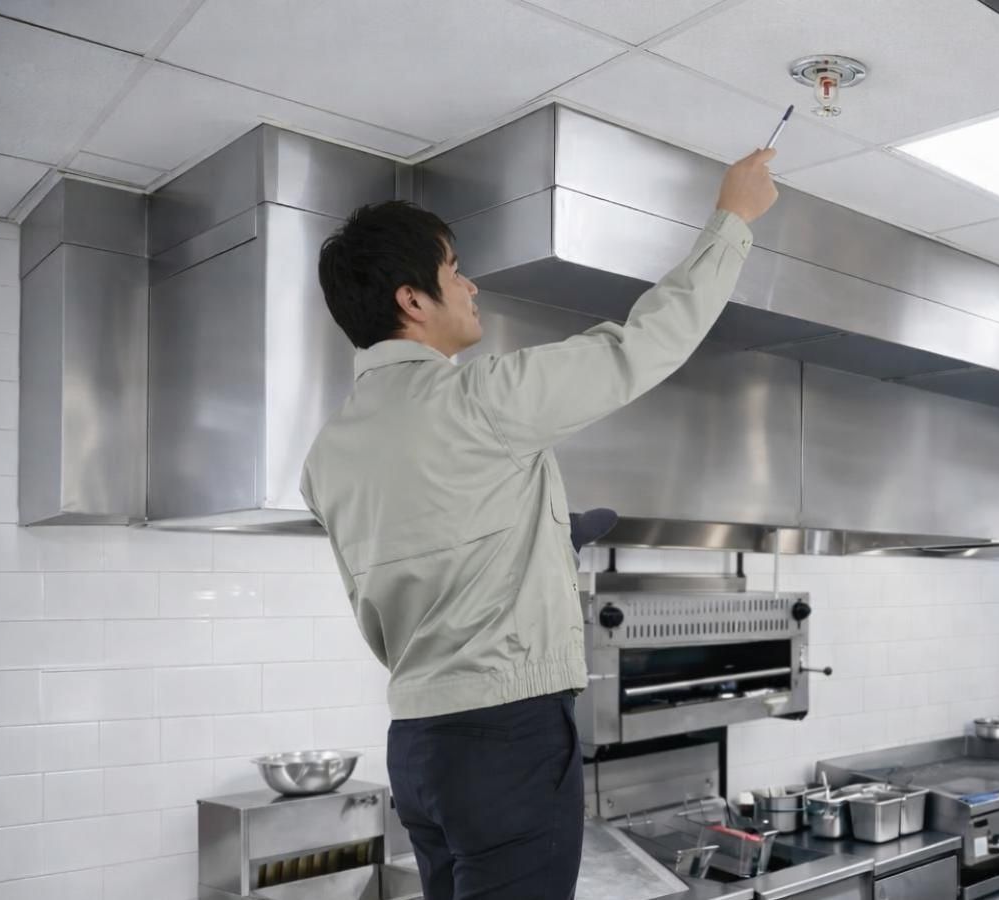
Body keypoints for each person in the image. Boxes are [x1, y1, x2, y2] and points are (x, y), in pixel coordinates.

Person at [300, 147, 778, 899]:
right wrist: (734, 219)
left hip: (419, 750)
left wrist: (549, 540)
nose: (470, 283)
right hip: (508, 741)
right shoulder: (480, 399)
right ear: (412, 299)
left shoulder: (325, 456)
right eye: (454, 268)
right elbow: (644, 346)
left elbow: (428, 557)